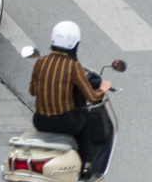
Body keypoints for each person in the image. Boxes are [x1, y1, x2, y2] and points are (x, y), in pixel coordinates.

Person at [29, 21, 112, 172]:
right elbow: (93, 97)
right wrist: (103, 88)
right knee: (85, 121)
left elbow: (33, 91)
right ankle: (86, 166)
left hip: (40, 121)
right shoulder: (74, 67)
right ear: (75, 45)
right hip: (65, 123)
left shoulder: (40, 62)